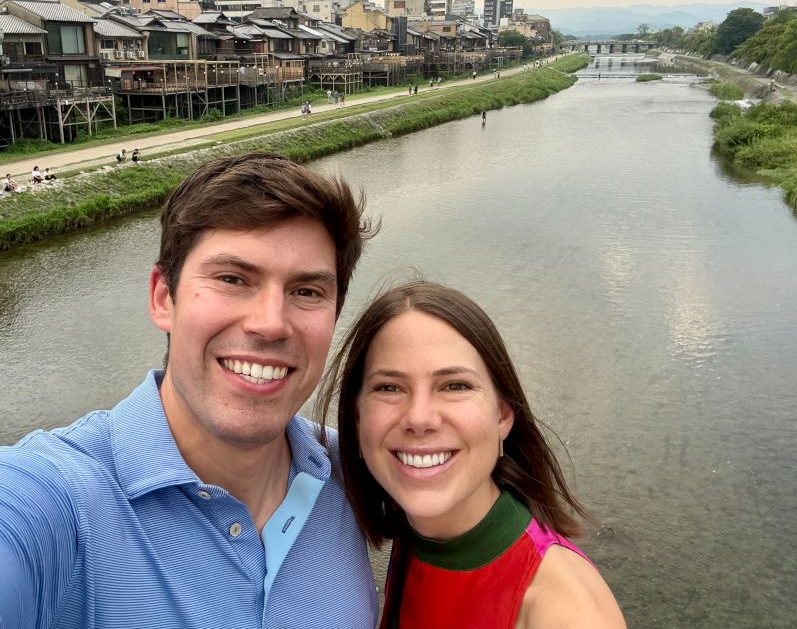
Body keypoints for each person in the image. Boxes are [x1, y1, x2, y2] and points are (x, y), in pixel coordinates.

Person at [0, 153, 380, 629]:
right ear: (163, 297)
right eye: (232, 279)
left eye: (306, 291)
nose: (270, 324)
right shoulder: (57, 502)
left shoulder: (356, 473)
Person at [318, 281, 626, 629]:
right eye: (389, 387)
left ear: (503, 416)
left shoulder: (564, 612)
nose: (419, 418)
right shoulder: (418, 532)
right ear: (358, 419)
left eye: (455, 386)